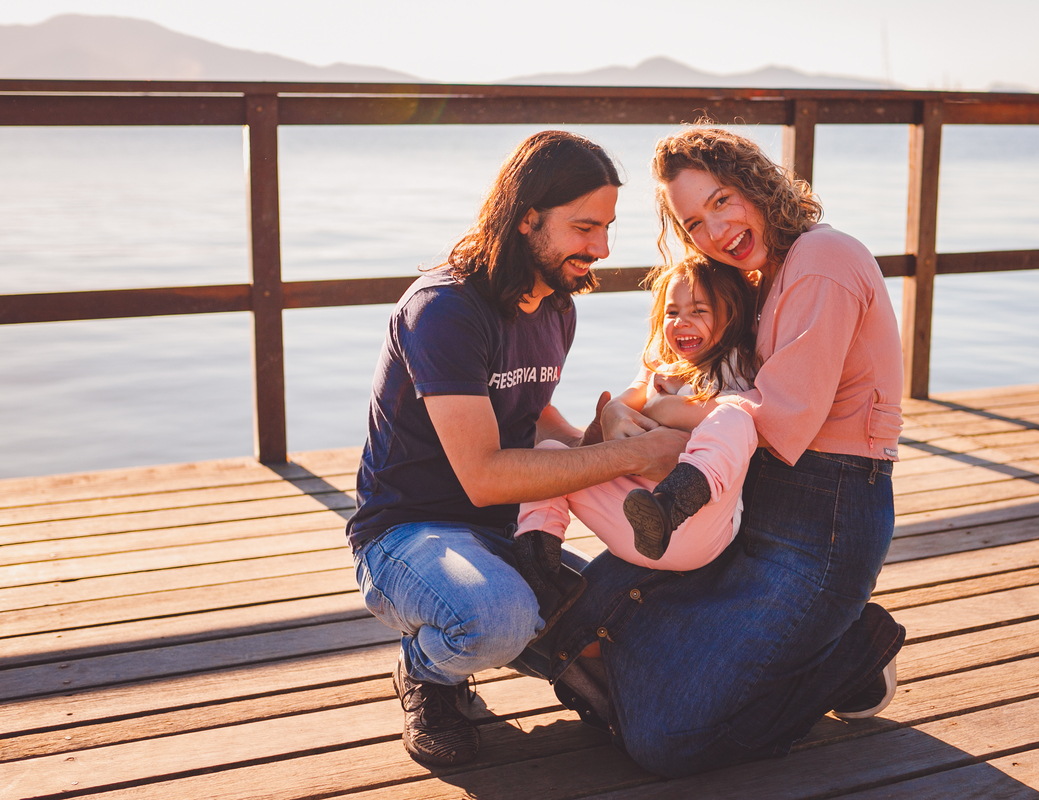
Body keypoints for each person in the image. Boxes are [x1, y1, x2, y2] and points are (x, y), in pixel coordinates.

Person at [537, 126, 907, 778]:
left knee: (665, 741)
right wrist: (629, 408)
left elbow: (774, 417)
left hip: (822, 524)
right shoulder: (759, 276)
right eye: (694, 220)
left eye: (723, 199)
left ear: (758, 185)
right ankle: (789, 646)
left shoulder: (823, 259)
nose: (715, 228)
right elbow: (691, 375)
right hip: (743, 499)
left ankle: (847, 650)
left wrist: (650, 425)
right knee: (581, 622)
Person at [346, 130, 688, 768]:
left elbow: (527, 415)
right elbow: (484, 475)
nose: (602, 248)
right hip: (406, 536)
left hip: (509, 532)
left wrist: (601, 428)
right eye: (585, 228)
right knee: (498, 619)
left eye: (608, 227)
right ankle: (428, 671)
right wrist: (634, 458)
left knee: (637, 616)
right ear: (528, 218)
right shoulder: (443, 311)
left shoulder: (556, 304)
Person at [514, 254, 760, 571]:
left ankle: (673, 503)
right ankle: (539, 564)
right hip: (631, 523)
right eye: (672, 312)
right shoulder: (658, 372)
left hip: (698, 532)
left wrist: (664, 407)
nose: (681, 321)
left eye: (698, 311)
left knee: (736, 418)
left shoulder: (740, 368)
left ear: (731, 318)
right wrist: (620, 413)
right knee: (549, 455)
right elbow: (619, 407)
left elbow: (754, 414)